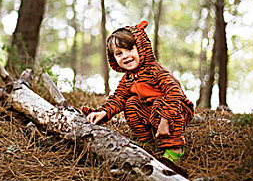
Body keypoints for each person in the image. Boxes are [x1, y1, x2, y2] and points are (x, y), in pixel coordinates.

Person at [83, 21, 195, 162]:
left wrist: (165, 120)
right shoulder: (128, 78)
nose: (125, 56)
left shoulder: (155, 71)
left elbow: (174, 93)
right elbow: (118, 98)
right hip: (152, 110)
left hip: (175, 110)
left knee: (160, 102)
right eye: (119, 53)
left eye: (130, 49)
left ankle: (174, 149)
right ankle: (145, 140)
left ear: (141, 48)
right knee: (131, 103)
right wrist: (103, 112)